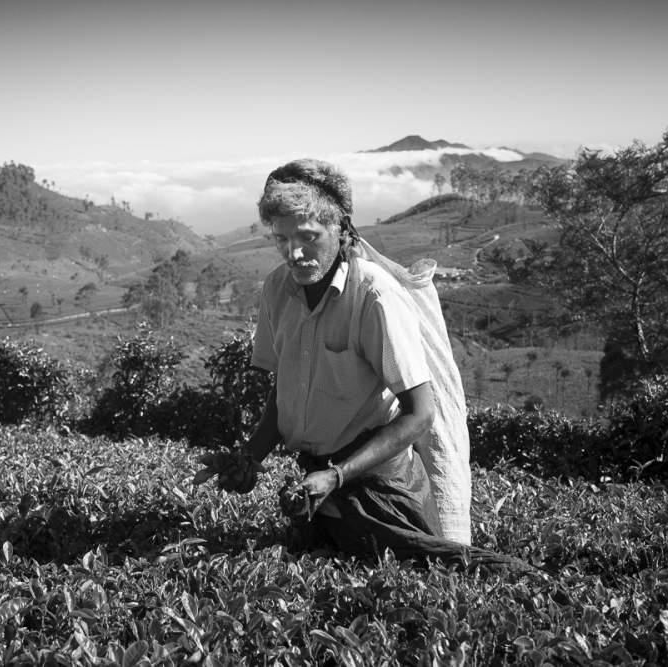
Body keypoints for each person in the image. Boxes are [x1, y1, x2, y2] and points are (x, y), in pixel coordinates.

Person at [219, 158, 529, 570]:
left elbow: (420, 414)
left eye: (308, 237)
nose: (294, 253)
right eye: (281, 239)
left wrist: (339, 475)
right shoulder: (278, 289)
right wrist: (248, 459)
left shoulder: (373, 296)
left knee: (445, 571)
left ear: (341, 230)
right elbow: (286, 393)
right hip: (317, 486)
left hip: (381, 488)